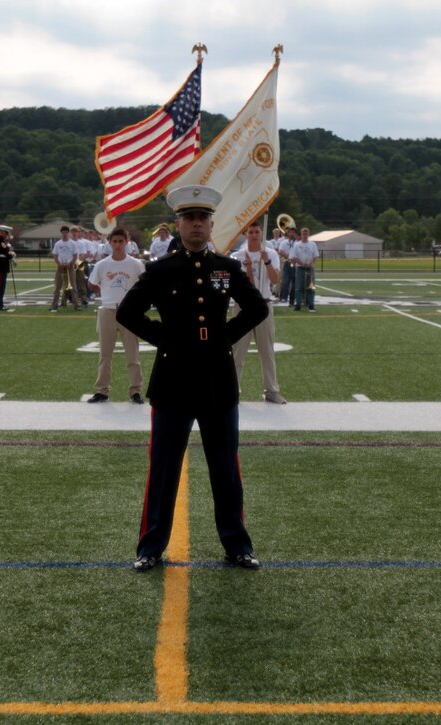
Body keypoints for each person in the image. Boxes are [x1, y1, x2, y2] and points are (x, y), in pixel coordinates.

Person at [116, 185, 268, 572]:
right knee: (163, 468)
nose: (196, 225)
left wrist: (224, 338)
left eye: (202, 219)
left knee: (225, 467)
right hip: (173, 380)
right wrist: (164, 338)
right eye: (189, 219)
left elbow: (257, 307)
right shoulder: (161, 269)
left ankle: (237, 545)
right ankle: (150, 547)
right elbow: (128, 312)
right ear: (179, 225)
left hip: (217, 380)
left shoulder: (226, 268)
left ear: (211, 224)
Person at [86, 228, 145, 404]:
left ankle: (135, 390)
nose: (118, 245)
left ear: (127, 242)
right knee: (105, 354)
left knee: (132, 355)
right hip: (108, 310)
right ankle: (102, 390)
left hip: (128, 312)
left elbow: (143, 285)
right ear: (110, 243)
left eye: (121, 241)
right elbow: (92, 284)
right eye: (115, 241)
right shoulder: (102, 265)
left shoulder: (135, 264)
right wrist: (106, 292)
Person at [231, 220, 286, 404]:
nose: (254, 235)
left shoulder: (270, 254)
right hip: (243, 307)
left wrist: (267, 261)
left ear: (261, 233)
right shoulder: (238, 256)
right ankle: (233, 389)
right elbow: (247, 287)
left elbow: (275, 279)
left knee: (267, 351)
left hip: (264, 304)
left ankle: (271, 391)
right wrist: (247, 267)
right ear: (246, 234)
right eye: (250, 232)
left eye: (256, 231)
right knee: (237, 351)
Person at [0, 228, 15, 311]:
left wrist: (10, 254)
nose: (7, 235)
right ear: (4, 234)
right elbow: (6, 253)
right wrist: (11, 255)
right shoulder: (0, 242)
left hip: (2, 265)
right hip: (1, 266)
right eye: (6, 233)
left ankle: (0, 304)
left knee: (1, 286)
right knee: (0, 286)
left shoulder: (4, 242)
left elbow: (6, 252)